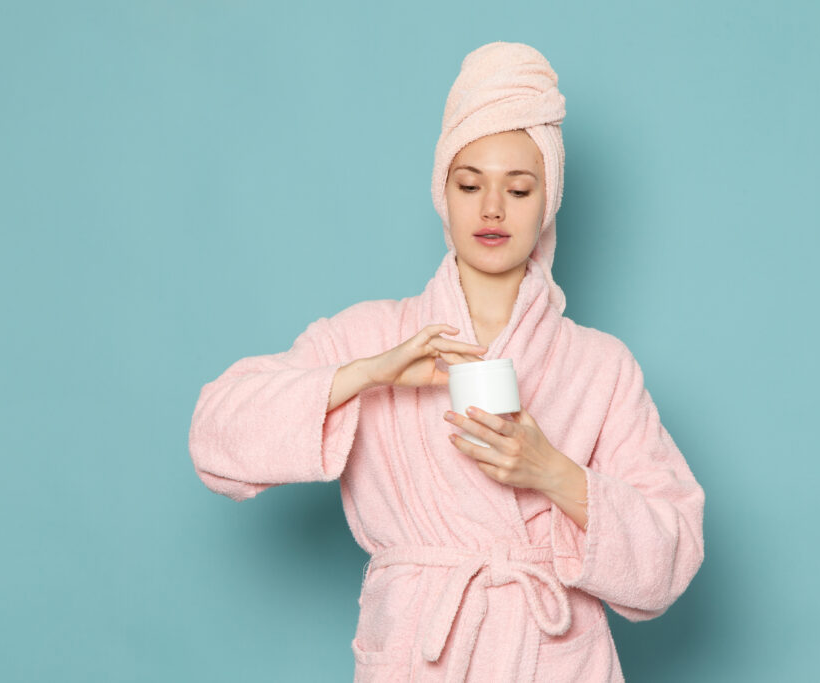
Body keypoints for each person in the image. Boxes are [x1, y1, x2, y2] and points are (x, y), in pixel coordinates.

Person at [188, 41, 705, 682]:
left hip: (551, 656)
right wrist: (369, 374)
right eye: (470, 184)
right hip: (422, 656)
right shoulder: (375, 334)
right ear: (443, 193)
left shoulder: (601, 366)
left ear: (549, 203)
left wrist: (554, 473)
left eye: (519, 188)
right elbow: (215, 434)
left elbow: (671, 555)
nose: (492, 208)